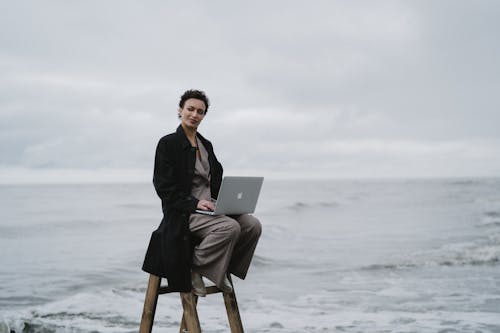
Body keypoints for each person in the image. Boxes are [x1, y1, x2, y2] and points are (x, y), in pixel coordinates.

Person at [142, 89, 262, 296]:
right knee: (230, 227)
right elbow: (163, 187)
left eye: (200, 111)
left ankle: (221, 270)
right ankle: (196, 267)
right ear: (180, 111)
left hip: (210, 209)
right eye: (190, 109)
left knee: (252, 225)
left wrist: (227, 201)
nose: (195, 114)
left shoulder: (206, 145)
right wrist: (195, 203)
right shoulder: (167, 143)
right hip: (183, 213)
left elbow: (214, 181)